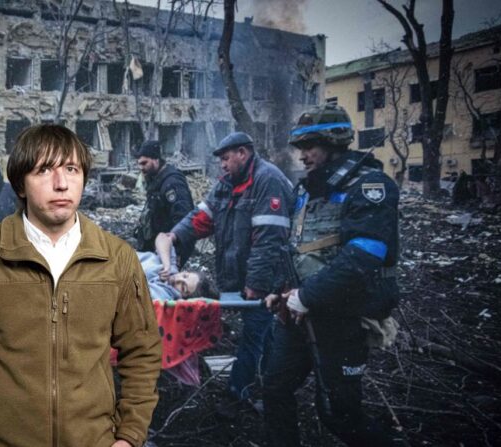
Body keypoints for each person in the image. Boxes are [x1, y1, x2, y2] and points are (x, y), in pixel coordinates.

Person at [0, 124, 162, 447]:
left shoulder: (117, 258)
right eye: (45, 170)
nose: (62, 184)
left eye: (72, 169)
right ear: (20, 183)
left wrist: (129, 437)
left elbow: (143, 351)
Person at [263, 103, 401, 446]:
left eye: (310, 146)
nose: (303, 155)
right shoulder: (307, 190)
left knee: (339, 416)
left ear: (334, 142)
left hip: (342, 318)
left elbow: (363, 257)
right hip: (298, 314)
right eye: (300, 148)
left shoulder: (370, 187)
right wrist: (280, 289)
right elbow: (296, 247)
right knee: (274, 388)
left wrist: (306, 297)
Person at [158, 131, 294, 410]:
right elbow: (201, 217)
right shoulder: (226, 185)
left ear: (243, 153)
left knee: (252, 336)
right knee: (264, 334)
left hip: (266, 279)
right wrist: (175, 236)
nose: (222, 164)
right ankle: (273, 383)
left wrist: (256, 285)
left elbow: (269, 241)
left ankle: (237, 393)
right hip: (236, 275)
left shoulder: (268, 181)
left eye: (226, 158)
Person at [133, 140, 194, 266]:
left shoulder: (172, 183)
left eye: (144, 163)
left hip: (168, 249)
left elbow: (183, 218)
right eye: (139, 164)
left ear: (156, 159)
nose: (141, 168)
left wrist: (177, 251)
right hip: (155, 246)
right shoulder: (155, 178)